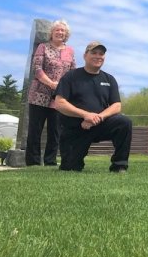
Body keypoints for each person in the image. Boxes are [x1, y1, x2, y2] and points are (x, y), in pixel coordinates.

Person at [55, 41, 132, 172]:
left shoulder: (109, 79)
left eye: (101, 54)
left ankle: (119, 165)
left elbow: (117, 106)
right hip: (76, 127)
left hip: (99, 124)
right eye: (94, 53)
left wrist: (98, 117)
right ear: (85, 56)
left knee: (124, 122)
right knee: (70, 168)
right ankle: (72, 161)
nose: (98, 56)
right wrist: (85, 115)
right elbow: (60, 103)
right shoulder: (71, 76)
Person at [25, 19, 75, 166]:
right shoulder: (43, 47)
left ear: (66, 34)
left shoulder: (70, 51)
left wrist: (67, 89)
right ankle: (33, 161)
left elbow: (72, 72)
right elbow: (37, 68)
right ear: (51, 33)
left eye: (63, 31)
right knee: (35, 129)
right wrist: (51, 84)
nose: (60, 32)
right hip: (38, 95)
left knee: (55, 130)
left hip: (59, 98)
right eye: (57, 30)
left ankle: (50, 160)